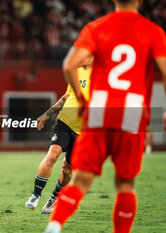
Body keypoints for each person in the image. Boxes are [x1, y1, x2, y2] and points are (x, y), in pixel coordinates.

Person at [45, 0, 166, 232]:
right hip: (131, 113)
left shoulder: (97, 27)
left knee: (80, 179)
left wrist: (81, 101)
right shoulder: (153, 31)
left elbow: (69, 65)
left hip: (99, 110)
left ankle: (55, 225)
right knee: (125, 184)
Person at [25, 62, 92, 214]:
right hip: (65, 122)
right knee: (52, 156)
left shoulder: (102, 74)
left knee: (67, 170)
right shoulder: (76, 71)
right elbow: (66, 96)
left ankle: (54, 198)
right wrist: (47, 114)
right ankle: (35, 195)